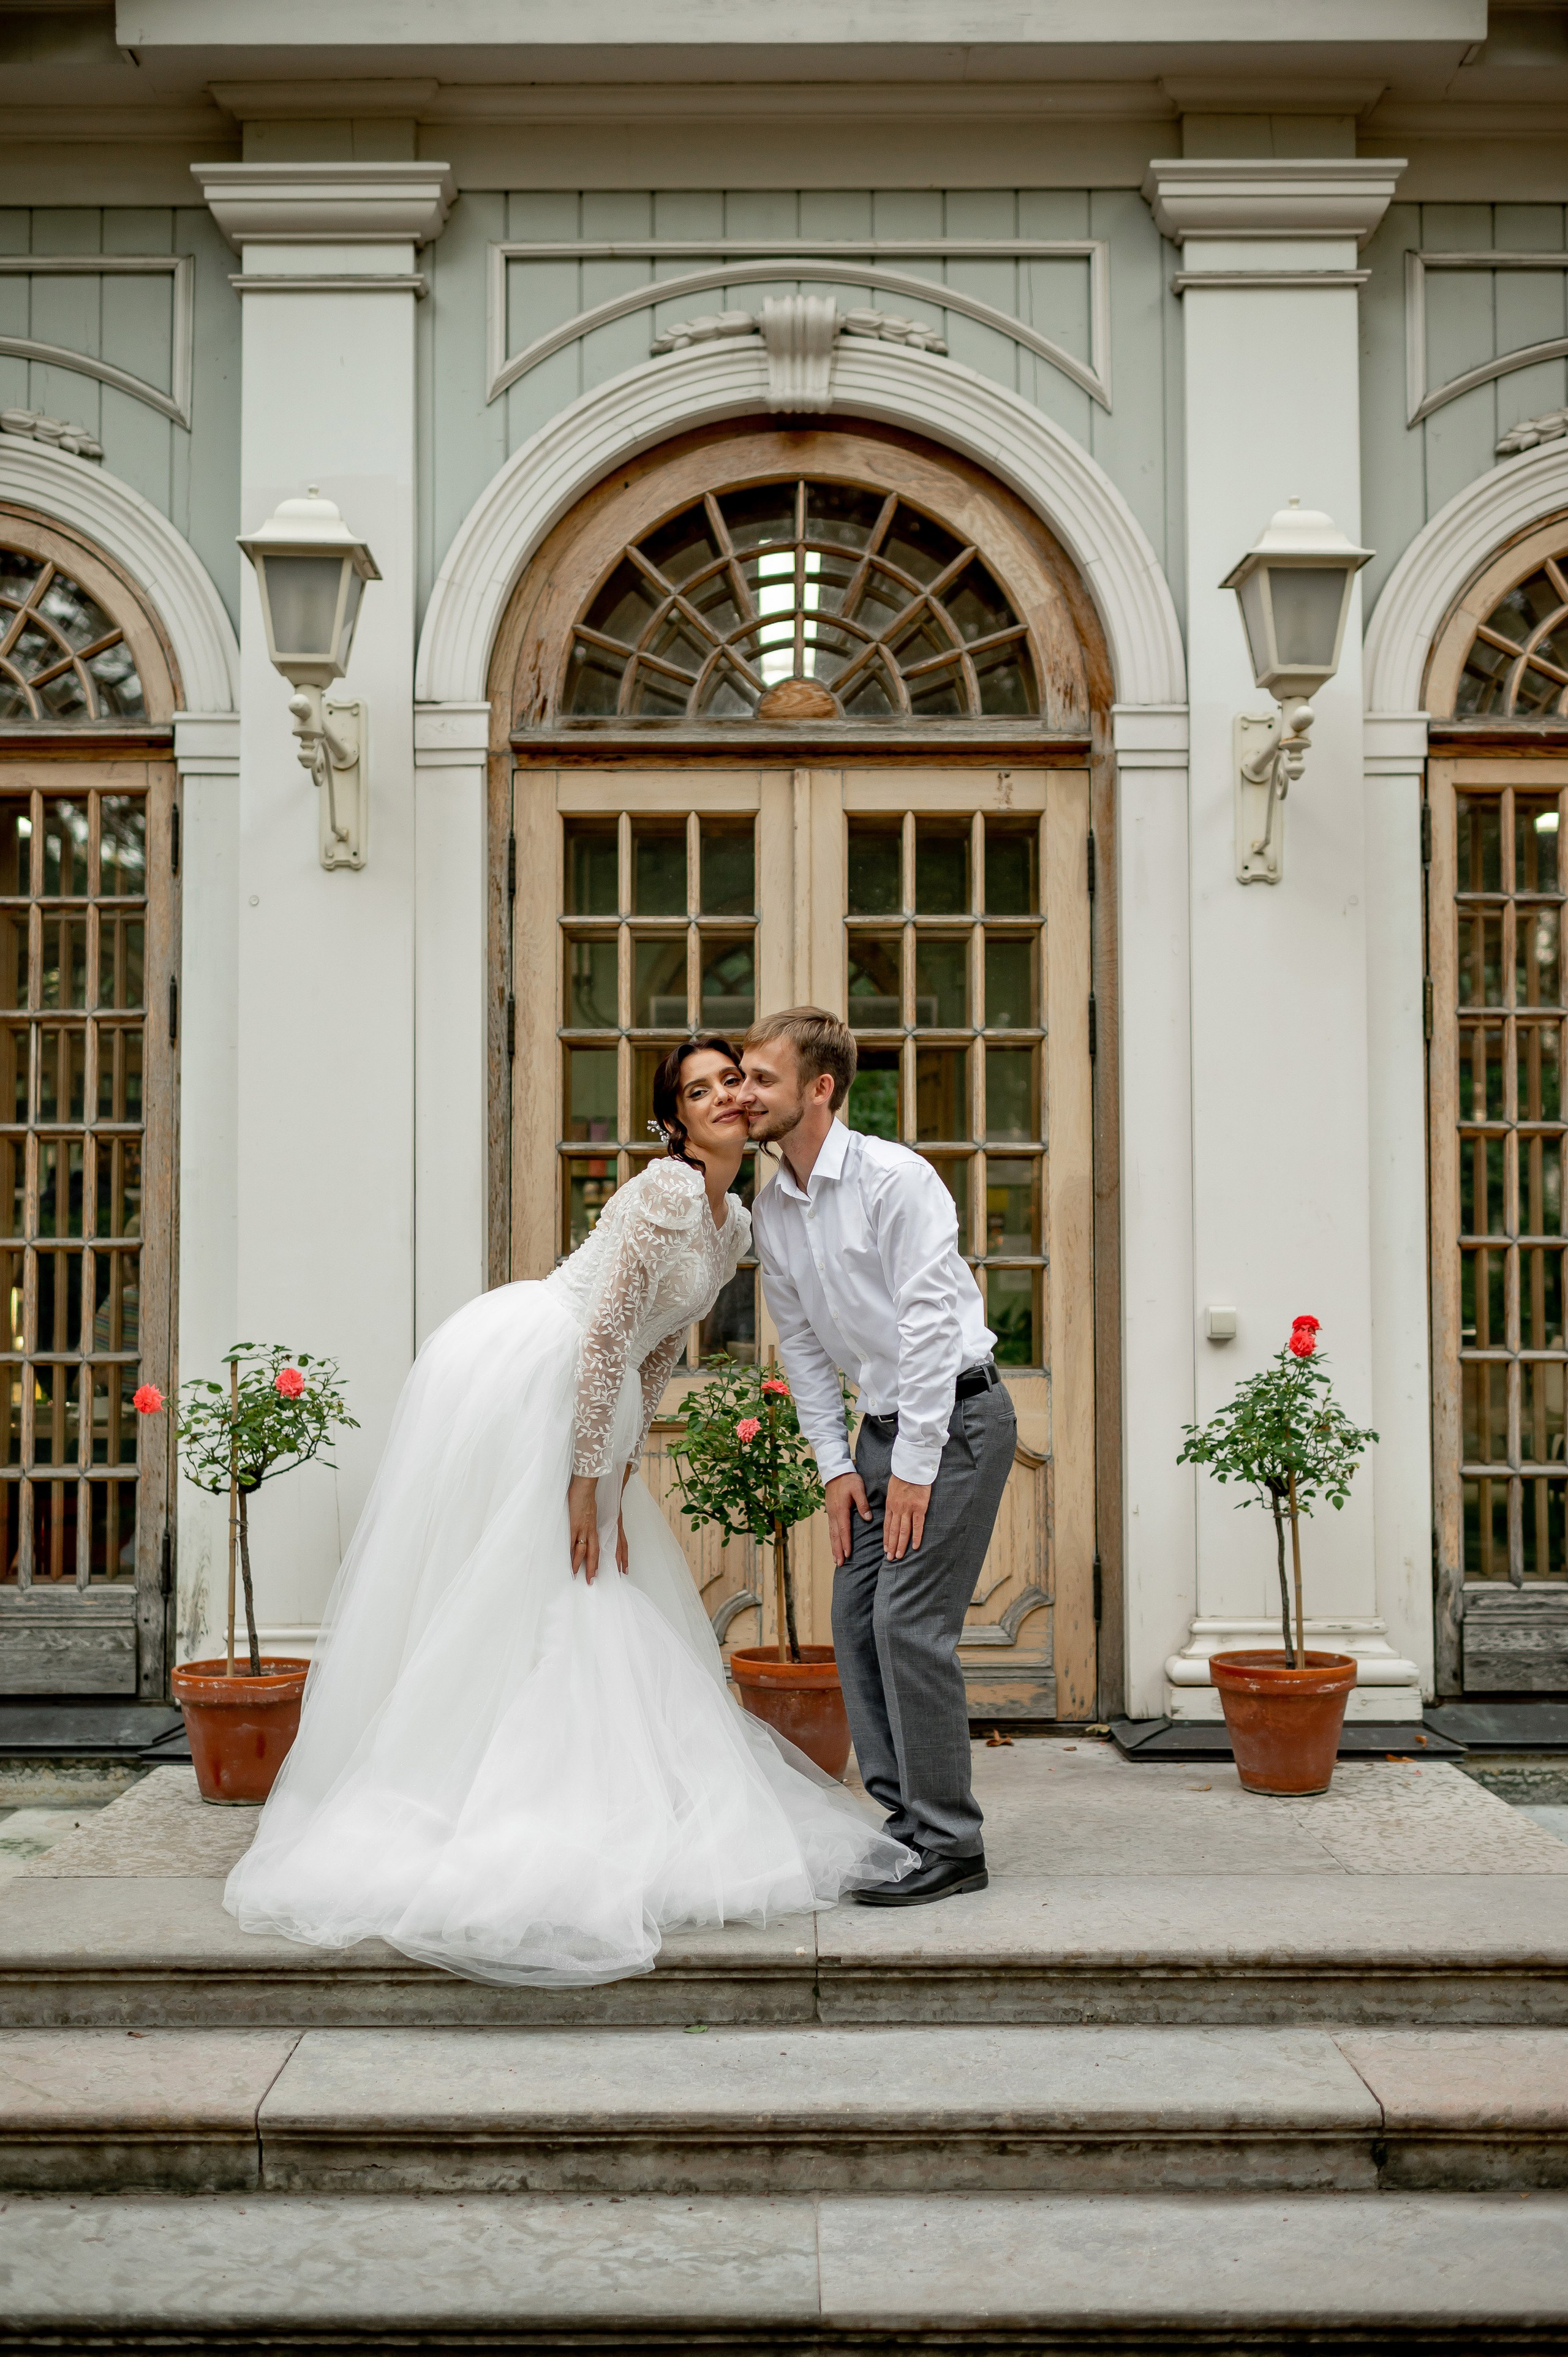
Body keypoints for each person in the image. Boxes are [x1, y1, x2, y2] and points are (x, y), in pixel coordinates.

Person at [224, 1038, 912, 1986]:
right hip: (534, 1369)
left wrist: (623, 1462)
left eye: (731, 1084)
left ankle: (575, 1788)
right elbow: (601, 1337)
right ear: (672, 1118)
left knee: (585, 1579)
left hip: (597, 1398)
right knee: (541, 1570)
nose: (721, 1099)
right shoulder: (667, 1190)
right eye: (697, 1090)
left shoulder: (734, 1223)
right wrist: (586, 1478)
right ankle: (476, 1794)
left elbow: (659, 1348)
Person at [740, 1009, 1016, 1906]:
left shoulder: (899, 1180)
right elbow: (807, 1351)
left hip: (958, 1421)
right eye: (741, 1078)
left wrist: (916, 1468)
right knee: (856, 1622)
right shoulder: (774, 1206)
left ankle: (953, 1845)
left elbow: (934, 1330)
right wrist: (836, 1467)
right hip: (881, 1432)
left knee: (908, 1626)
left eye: (763, 1080)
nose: (746, 1094)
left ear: (819, 1090)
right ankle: (906, 1833)